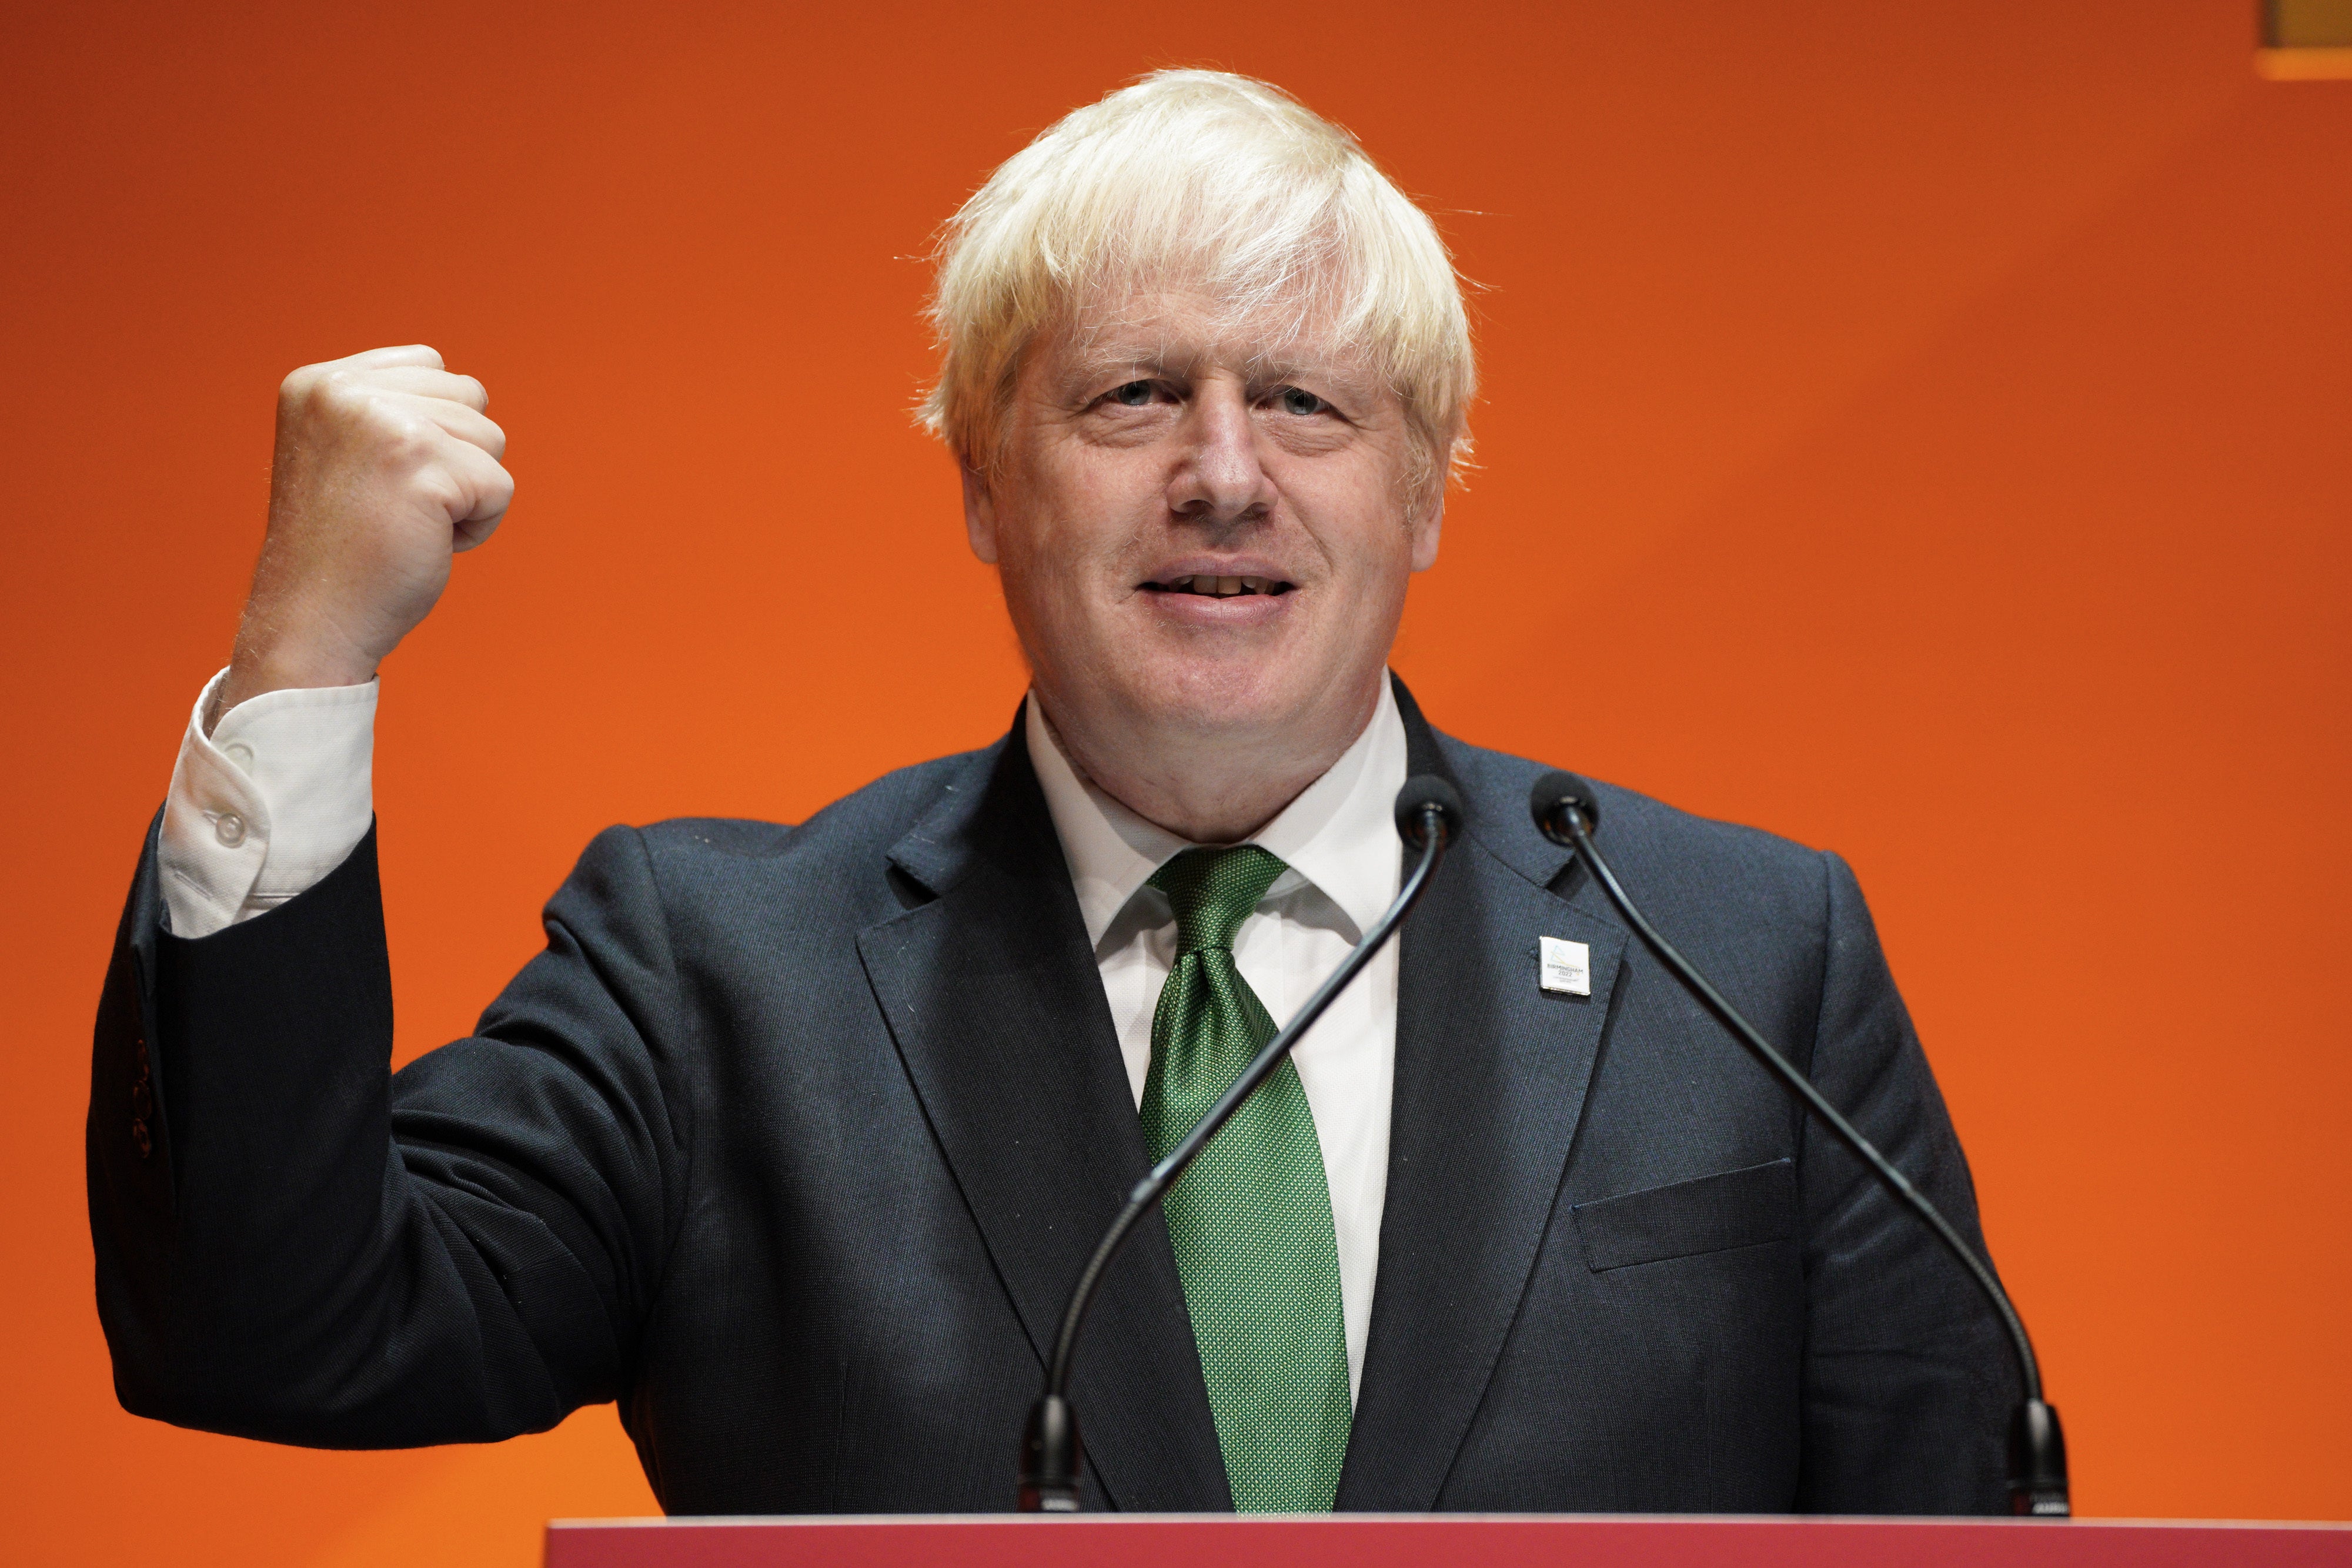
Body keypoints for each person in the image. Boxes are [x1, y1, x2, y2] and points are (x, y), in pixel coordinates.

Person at [89, 70, 2017, 1514]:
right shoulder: (720, 979)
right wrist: (303, 658)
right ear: (985, 486)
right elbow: (278, 1324)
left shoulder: (1747, 962)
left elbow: (1959, 1524)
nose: (1226, 474)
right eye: (1129, 398)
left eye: (1310, 402)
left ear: (1428, 486)